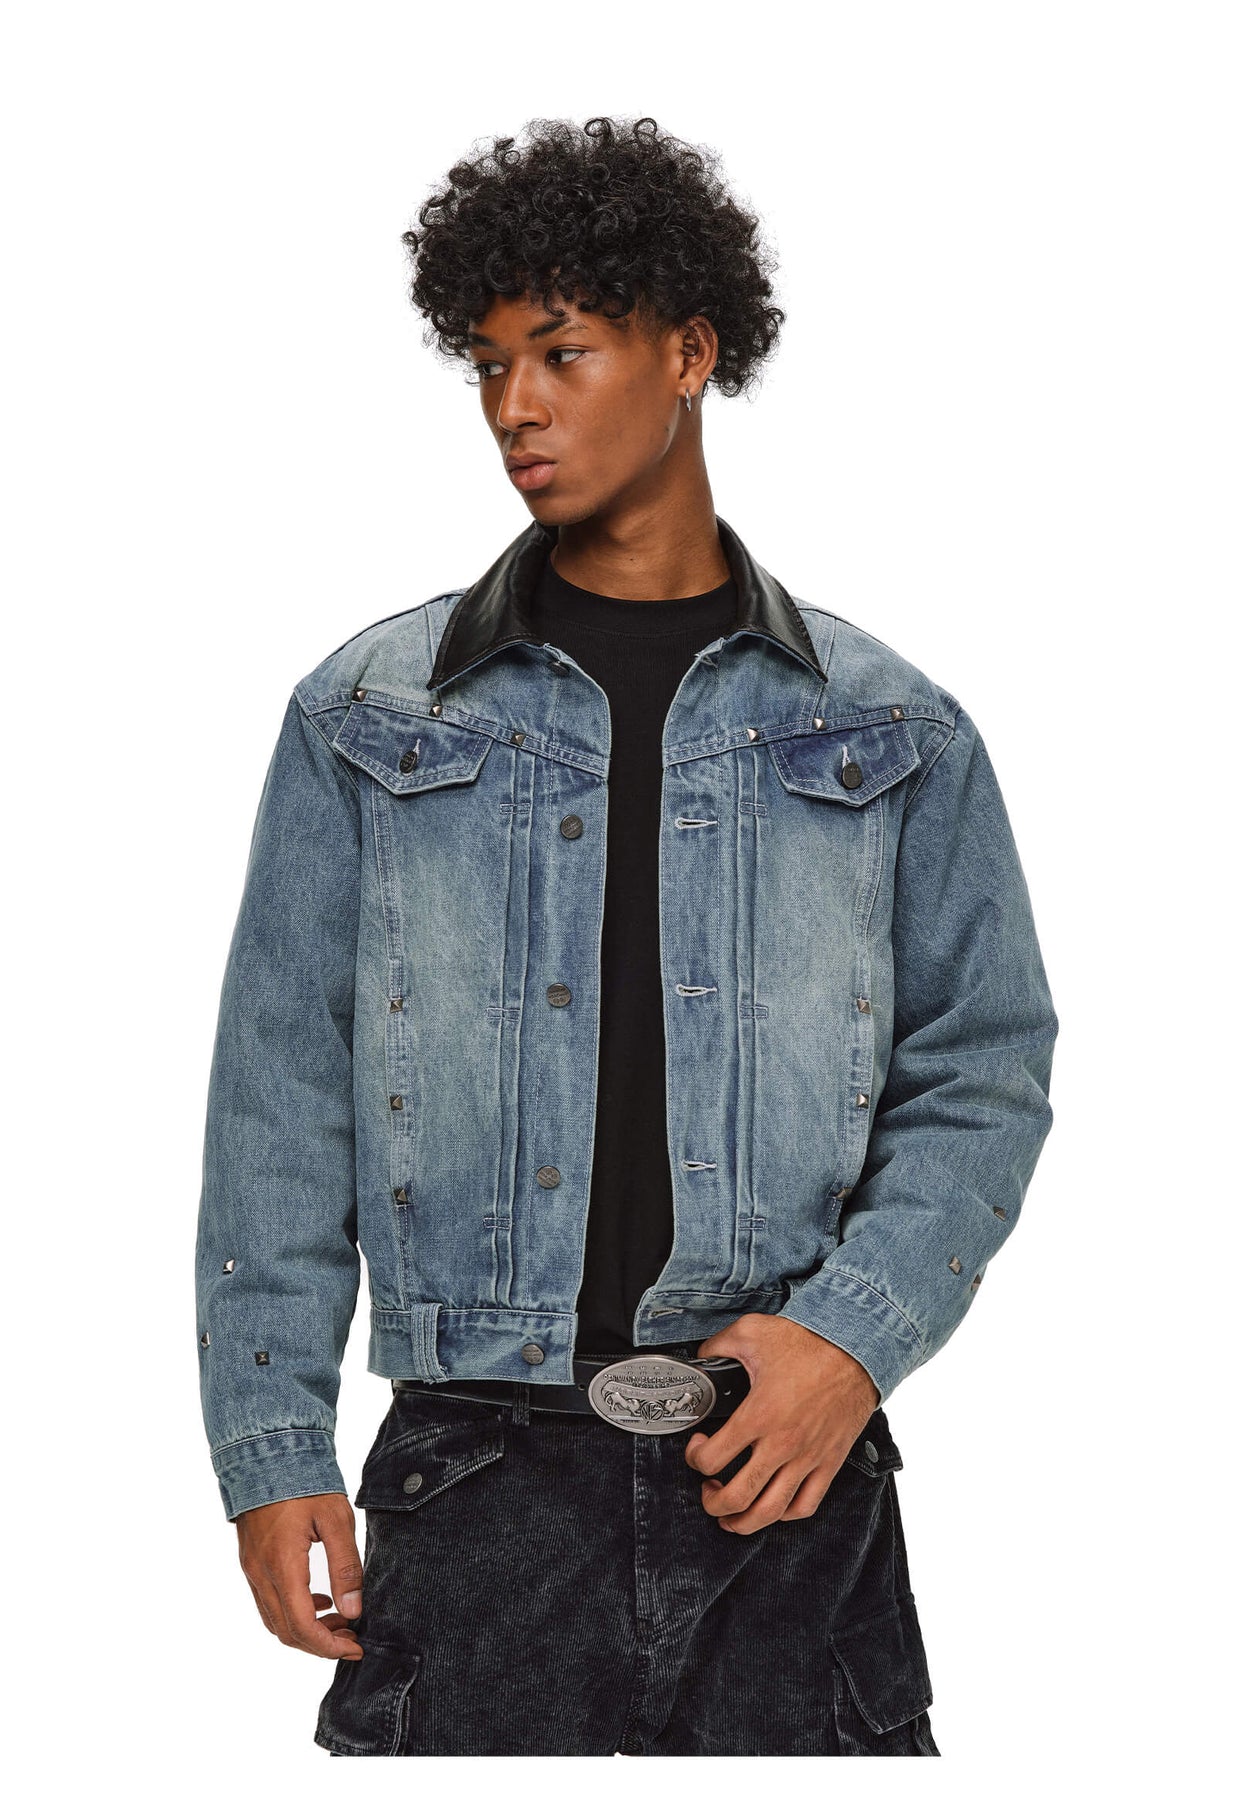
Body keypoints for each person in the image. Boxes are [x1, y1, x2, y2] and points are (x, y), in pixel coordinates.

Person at [195, 115, 1058, 1756]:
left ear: (690, 352)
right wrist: (270, 1436)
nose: (514, 406)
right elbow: (279, 1097)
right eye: (489, 365)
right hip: (472, 1485)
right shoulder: (369, 719)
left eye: (562, 351)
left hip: (785, 1479)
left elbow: (985, 1070)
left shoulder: (889, 729)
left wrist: (849, 1340)